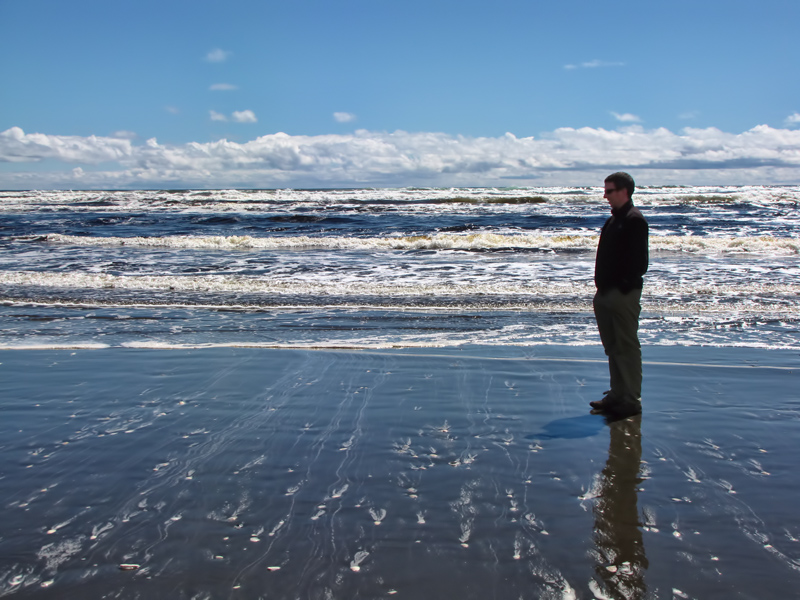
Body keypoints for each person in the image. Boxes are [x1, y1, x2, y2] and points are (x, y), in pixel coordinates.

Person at [590, 172, 648, 417]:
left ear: (624, 191)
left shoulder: (634, 220)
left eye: (609, 190)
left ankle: (631, 399)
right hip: (606, 293)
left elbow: (639, 264)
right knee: (613, 346)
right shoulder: (614, 219)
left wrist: (622, 287)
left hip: (622, 294)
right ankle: (617, 393)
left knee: (625, 346)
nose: (605, 195)